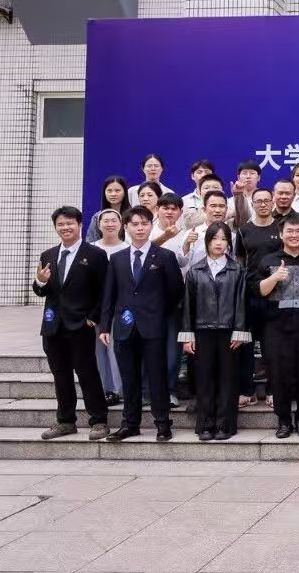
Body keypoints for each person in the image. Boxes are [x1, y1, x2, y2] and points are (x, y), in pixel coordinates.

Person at [99, 206, 184, 442]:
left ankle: (162, 423)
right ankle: (130, 424)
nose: (140, 228)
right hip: (124, 327)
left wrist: (158, 312)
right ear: (126, 227)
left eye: (144, 224)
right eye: (134, 224)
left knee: (157, 376)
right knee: (129, 378)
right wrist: (105, 326)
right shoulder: (117, 259)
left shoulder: (164, 256)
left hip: (154, 326)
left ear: (150, 226)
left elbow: (176, 291)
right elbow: (109, 295)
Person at [33, 206, 111, 441]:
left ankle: (99, 420)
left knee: (87, 372)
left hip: (81, 325)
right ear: (55, 227)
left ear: (79, 225)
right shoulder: (48, 255)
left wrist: (94, 317)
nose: (65, 227)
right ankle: (65, 421)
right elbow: (41, 291)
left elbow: (104, 291)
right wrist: (40, 281)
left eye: (70, 223)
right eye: (61, 224)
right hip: (53, 326)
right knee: (60, 374)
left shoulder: (95, 254)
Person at [178, 222, 248, 441]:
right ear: (207, 241)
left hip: (229, 332)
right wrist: (187, 336)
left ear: (229, 243)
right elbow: (188, 305)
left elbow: (241, 302)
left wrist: (239, 330)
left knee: (228, 379)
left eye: (224, 239)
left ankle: (225, 425)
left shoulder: (237, 270)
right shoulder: (195, 270)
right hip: (202, 331)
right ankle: (206, 425)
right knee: (204, 379)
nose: (219, 243)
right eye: (215, 238)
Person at [258, 213, 299, 438]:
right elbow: (259, 290)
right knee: (279, 375)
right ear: (281, 234)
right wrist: (275, 278)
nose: (294, 235)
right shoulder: (268, 260)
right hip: (276, 327)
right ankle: (283, 421)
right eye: (290, 231)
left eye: (298, 231)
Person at [235, 188, 280, 409]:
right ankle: (247, 390)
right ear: (252, 204)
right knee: (246, 343)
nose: (263, 204)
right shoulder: (244, 230)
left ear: (273, 203)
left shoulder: (280, 228)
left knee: (273, 343)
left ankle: (273, 389)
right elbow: (239, 260)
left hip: (276, 292)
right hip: (250, 292)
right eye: (258, 201)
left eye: (266, 200)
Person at [89, 209, 127, 404]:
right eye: (106, 221)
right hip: (94, 308)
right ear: (99, 224)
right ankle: (102, 389)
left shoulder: (128, 248)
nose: (110, 224)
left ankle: (118, 390)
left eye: (114, 220)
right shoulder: (90, 249)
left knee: (115, 349)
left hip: (120, 307)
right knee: (98, 351)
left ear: (121, 224)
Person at [86, 176, 131, 241]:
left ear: (125, 192)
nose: (113, 194)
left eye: (117, 190)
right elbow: (90, 241)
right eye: (109, 191)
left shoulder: (132, 215)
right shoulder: (97, 217)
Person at [228, 160, 262, 228]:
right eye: (244, 173)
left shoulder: (265, 199)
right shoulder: (230, 201)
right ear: (238, 177)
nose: (248, 176)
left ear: (258, 177)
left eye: (252, 173)